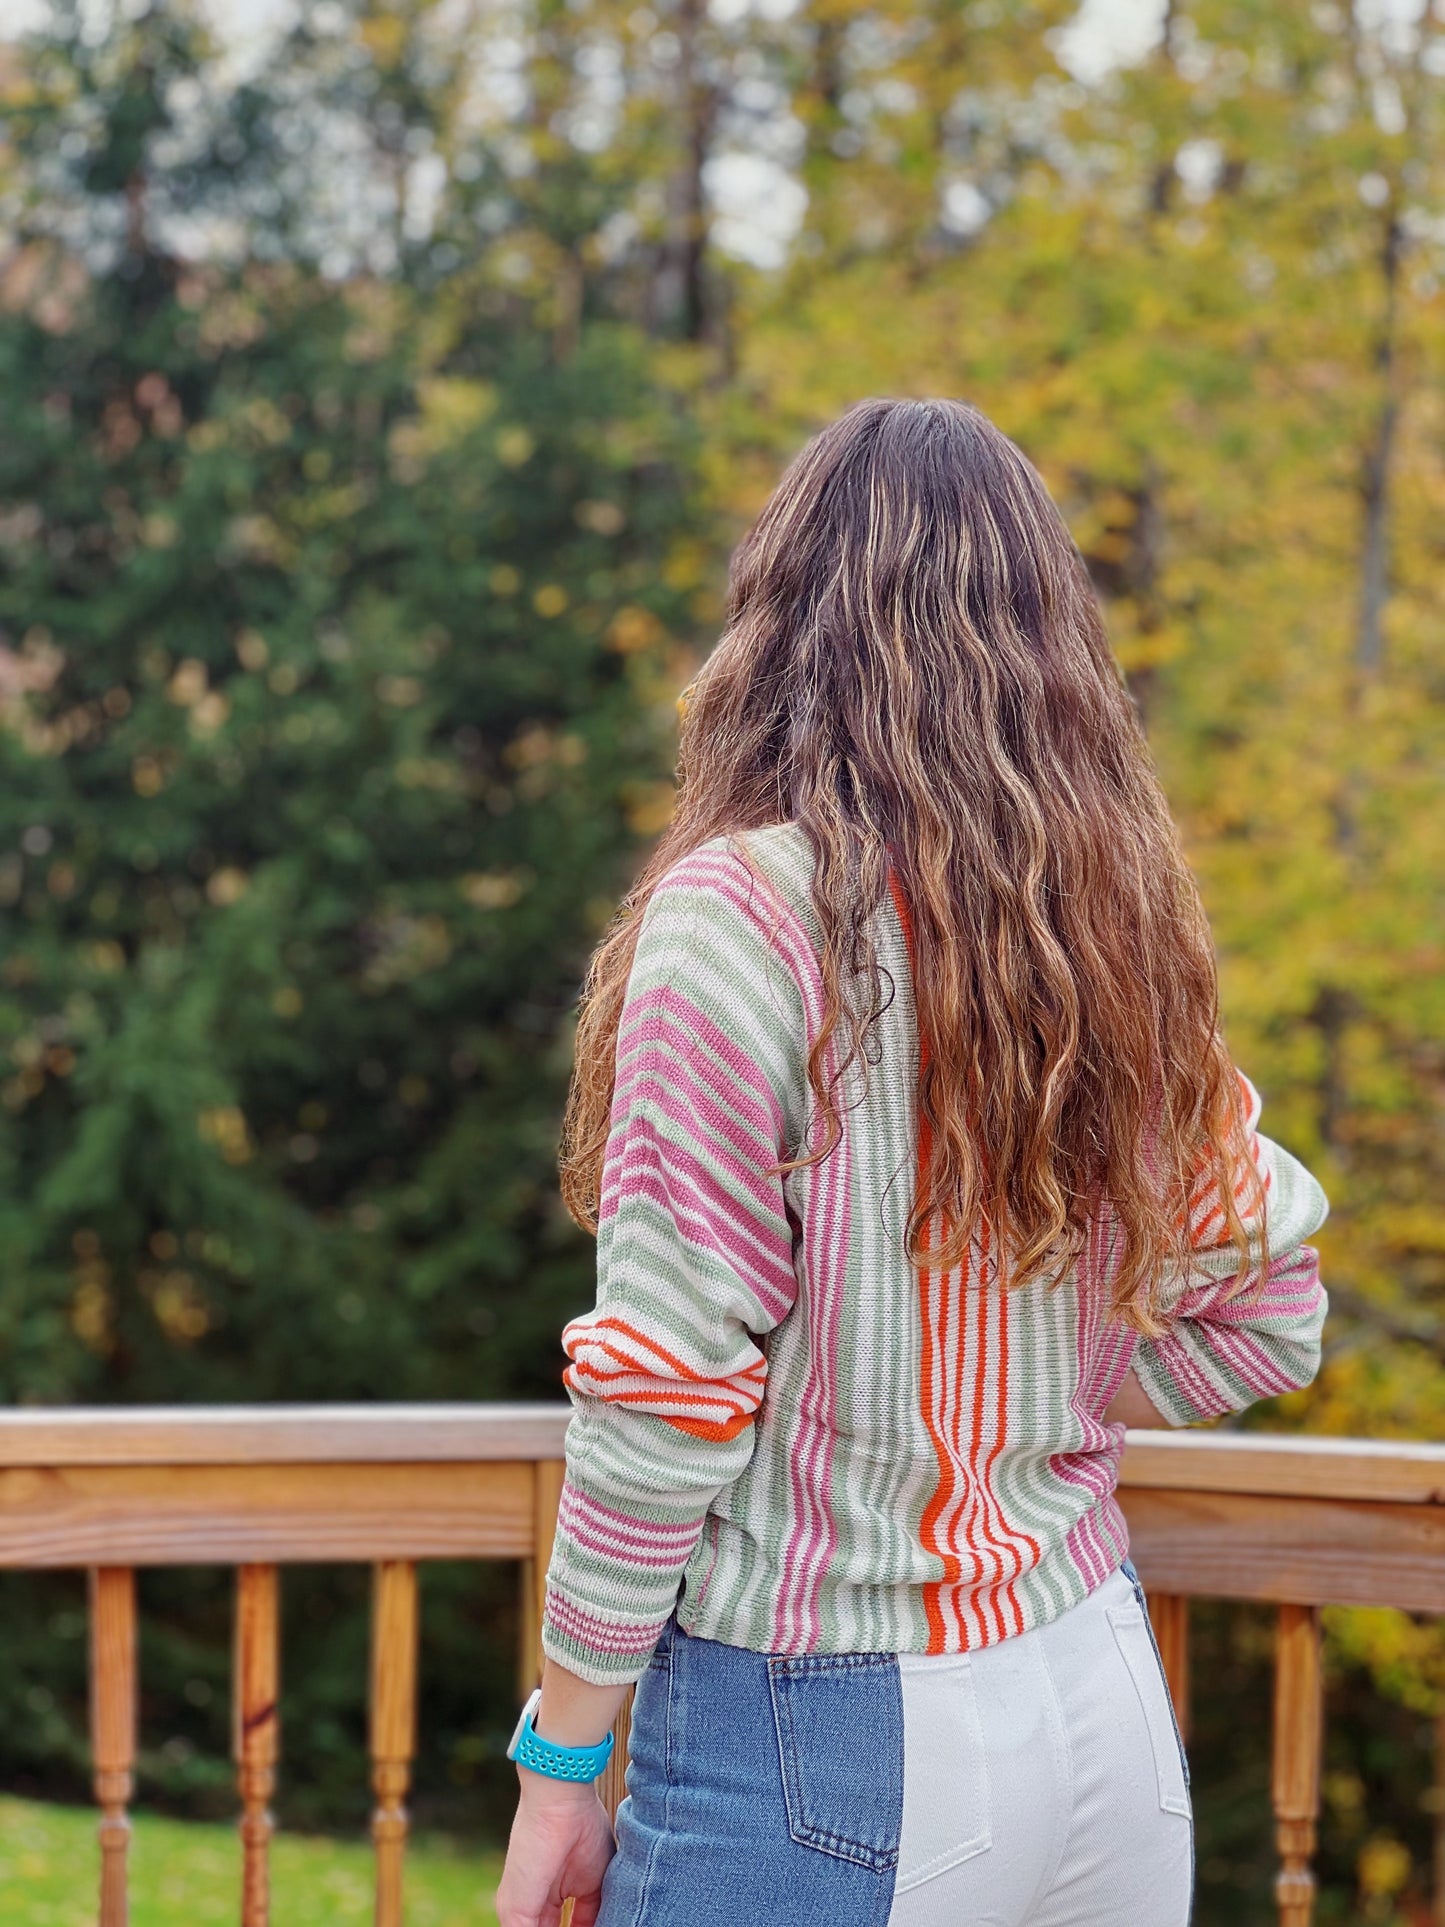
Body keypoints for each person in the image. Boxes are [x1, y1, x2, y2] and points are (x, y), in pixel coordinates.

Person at [494, 397, 1329, 1927]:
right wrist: (1038, 1399)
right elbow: (1269, 1312)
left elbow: (667, 1393)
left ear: (781, 622)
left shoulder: (741, 920)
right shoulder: (1110, 924)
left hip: (821, 1727)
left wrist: (561, 1763)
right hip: (1095, 1704)